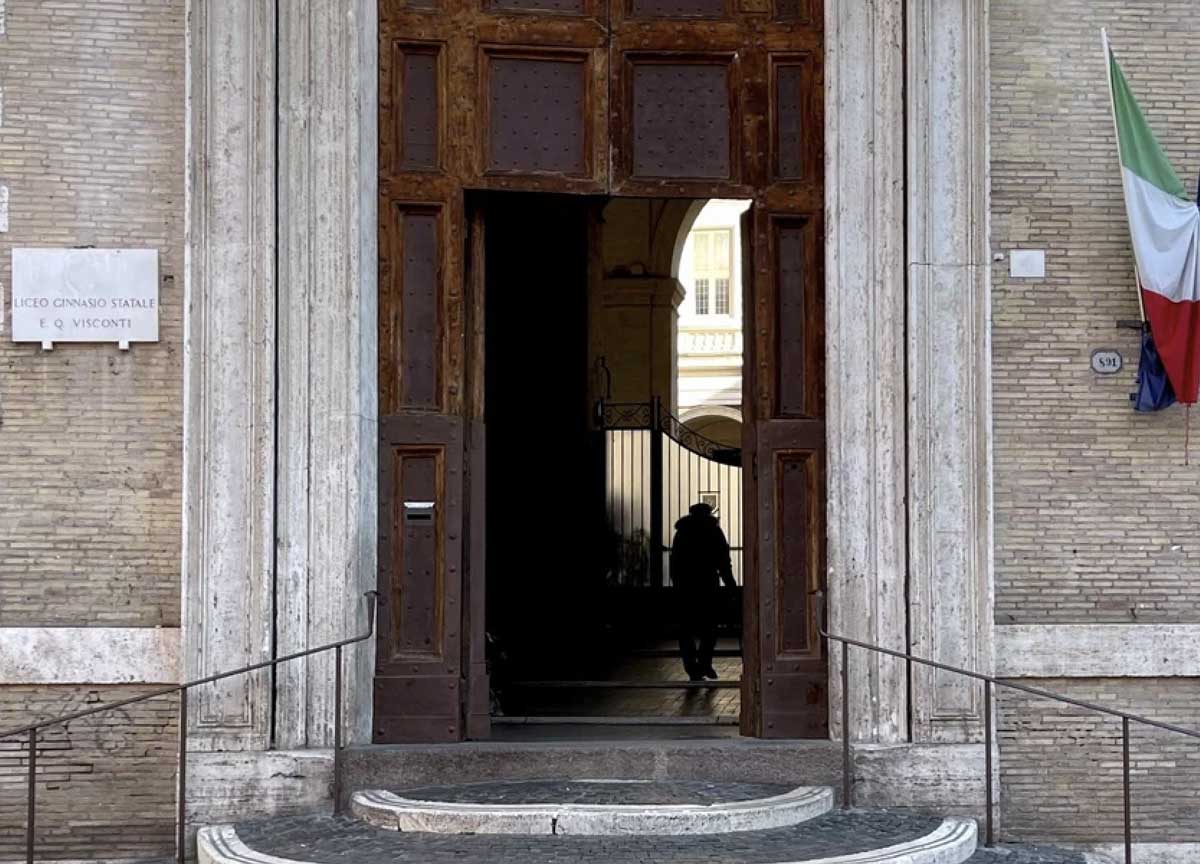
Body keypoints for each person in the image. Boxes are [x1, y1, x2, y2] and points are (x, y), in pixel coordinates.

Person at [669, 502, 736, 681]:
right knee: (709, 629)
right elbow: (724, 562)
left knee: (686, 630)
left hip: (686, 587)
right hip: (708, 586)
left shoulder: (682, 533)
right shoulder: (714, 532)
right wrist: (731, 586)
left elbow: (674, 563)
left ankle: (692, 668)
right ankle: (705, 663)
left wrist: (676, 585)